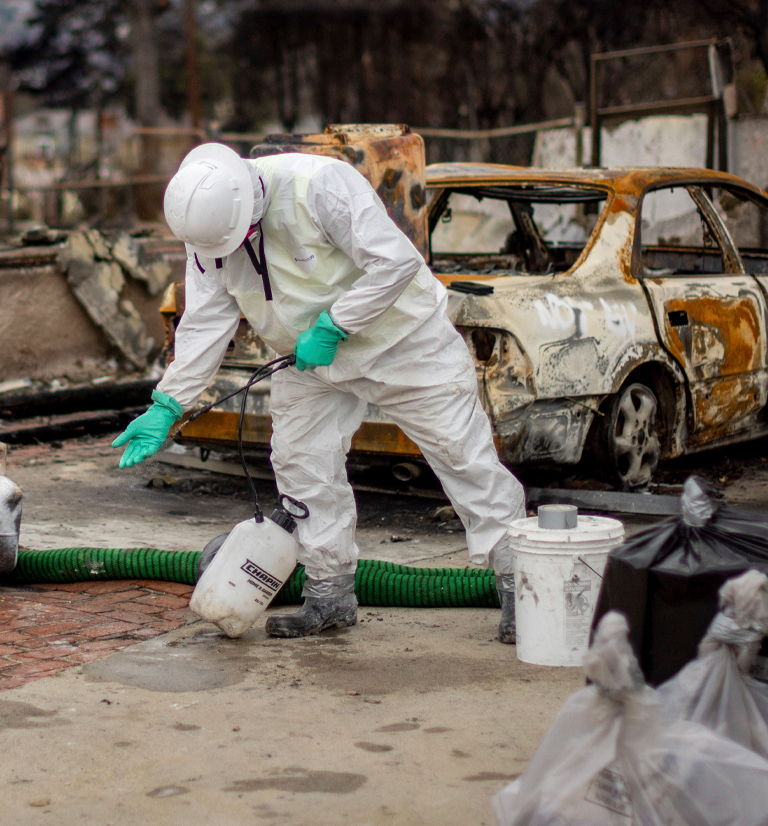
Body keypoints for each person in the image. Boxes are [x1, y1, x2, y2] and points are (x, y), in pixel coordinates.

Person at [112, 142, 528, 640]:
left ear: (248, 211)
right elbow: (205, 322)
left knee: (464, 459)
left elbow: (394, 261)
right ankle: (329, 594)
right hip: (307, 361)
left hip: (403, 343)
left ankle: (522, 587)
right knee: (301, 464)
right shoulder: (208, 229)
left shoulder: (318, 185)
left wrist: (335, 324)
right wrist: (170, 402)